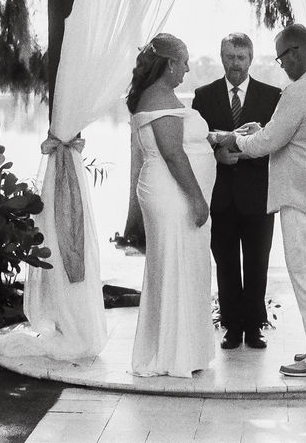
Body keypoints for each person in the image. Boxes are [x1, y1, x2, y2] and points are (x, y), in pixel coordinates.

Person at [221, 24, 306, 377]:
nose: (281, 65)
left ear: (295, 52)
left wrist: (233, 137)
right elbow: (303, 139)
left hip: (302, 200)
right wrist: (260, 134)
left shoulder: (300, 91)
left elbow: (268, 143)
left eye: (281, 57)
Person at [127, 33, 215, 378]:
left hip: (168, 190)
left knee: (182, 266)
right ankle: (172, 354)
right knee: (175, 266)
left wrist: (214, 141)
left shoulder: (160, 96)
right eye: (184, 62)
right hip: (170, 194)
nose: (188, 69)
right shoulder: (158, 97)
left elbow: (182, 143)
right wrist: (197, 197)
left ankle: (182, 350)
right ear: (168, 64)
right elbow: (173, 153)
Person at [192, 33, 282, 351]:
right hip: (220, 196)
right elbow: (197, 143)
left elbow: (276, 143)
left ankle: (255, 326)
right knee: (226, 263)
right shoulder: (203, 96)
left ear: (251, 58)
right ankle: (231, 327)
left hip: (259, 196)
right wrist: (216, 155)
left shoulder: (273, 96)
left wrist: (243, 152)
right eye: (230, 56)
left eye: (241, 57)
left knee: (257, 262)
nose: (235, 63)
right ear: (221, 56)